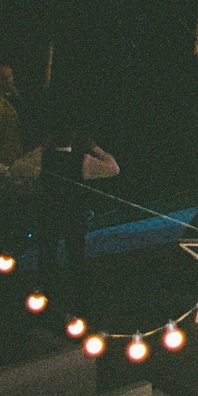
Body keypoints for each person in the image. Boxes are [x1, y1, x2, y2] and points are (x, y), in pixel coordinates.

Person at [31, 120, 120, 294]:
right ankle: (79, 292)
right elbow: (113, 169)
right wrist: (95, 148)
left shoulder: (41, 159)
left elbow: (17, 169)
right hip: (74, 214)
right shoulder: (82, 161)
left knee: (47, 255)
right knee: (76, 255)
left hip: (49, 214)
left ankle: (45, 291)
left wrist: (40, 148)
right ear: (73, 138)